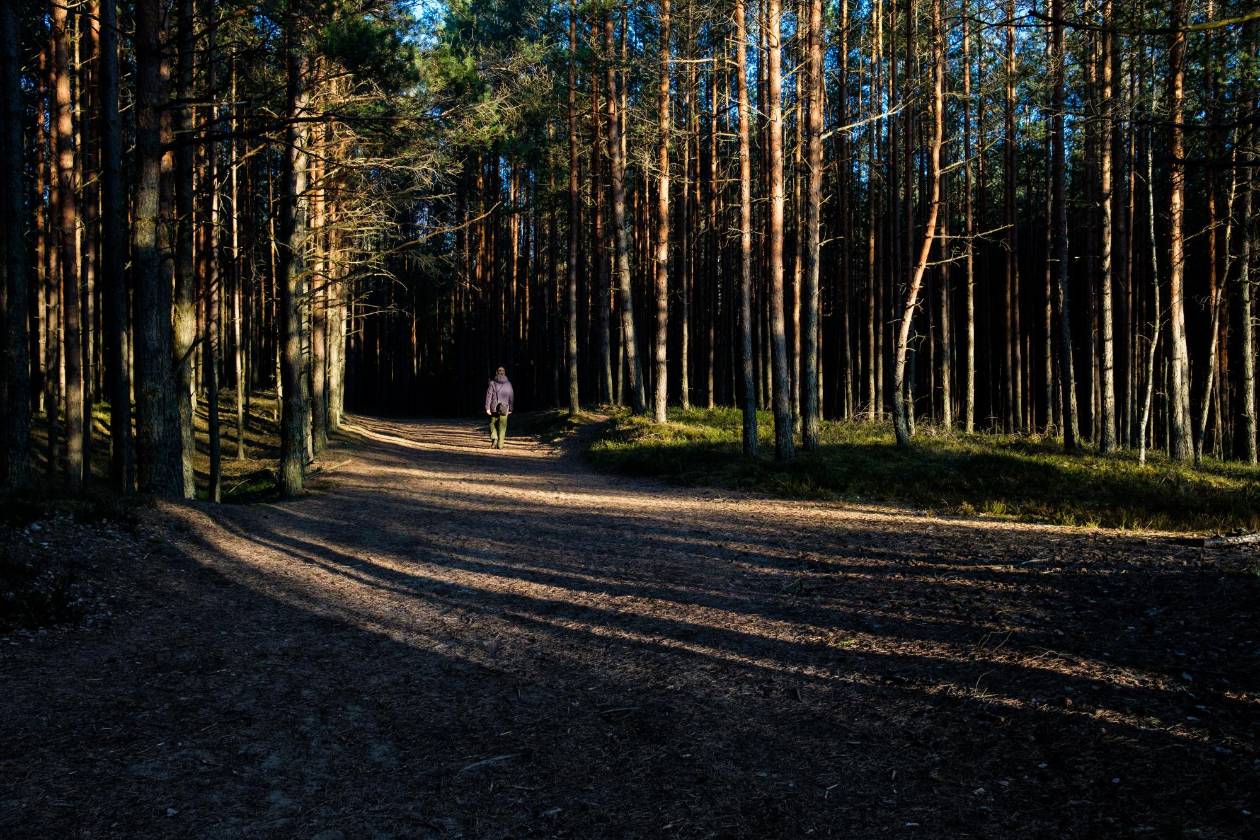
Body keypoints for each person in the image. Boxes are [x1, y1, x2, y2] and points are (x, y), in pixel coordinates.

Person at [484, 366, 515, 449]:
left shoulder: (492, 383)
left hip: (494, 408)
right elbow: (511, 397)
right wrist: (511, 408)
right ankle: (500, 445)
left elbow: (489, 396)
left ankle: (494, 438)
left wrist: (487, 407)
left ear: (496, 372)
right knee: (502, 426)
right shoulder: (509, 384)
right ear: (504, 373)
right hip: (505, 408)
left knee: (492, 424)